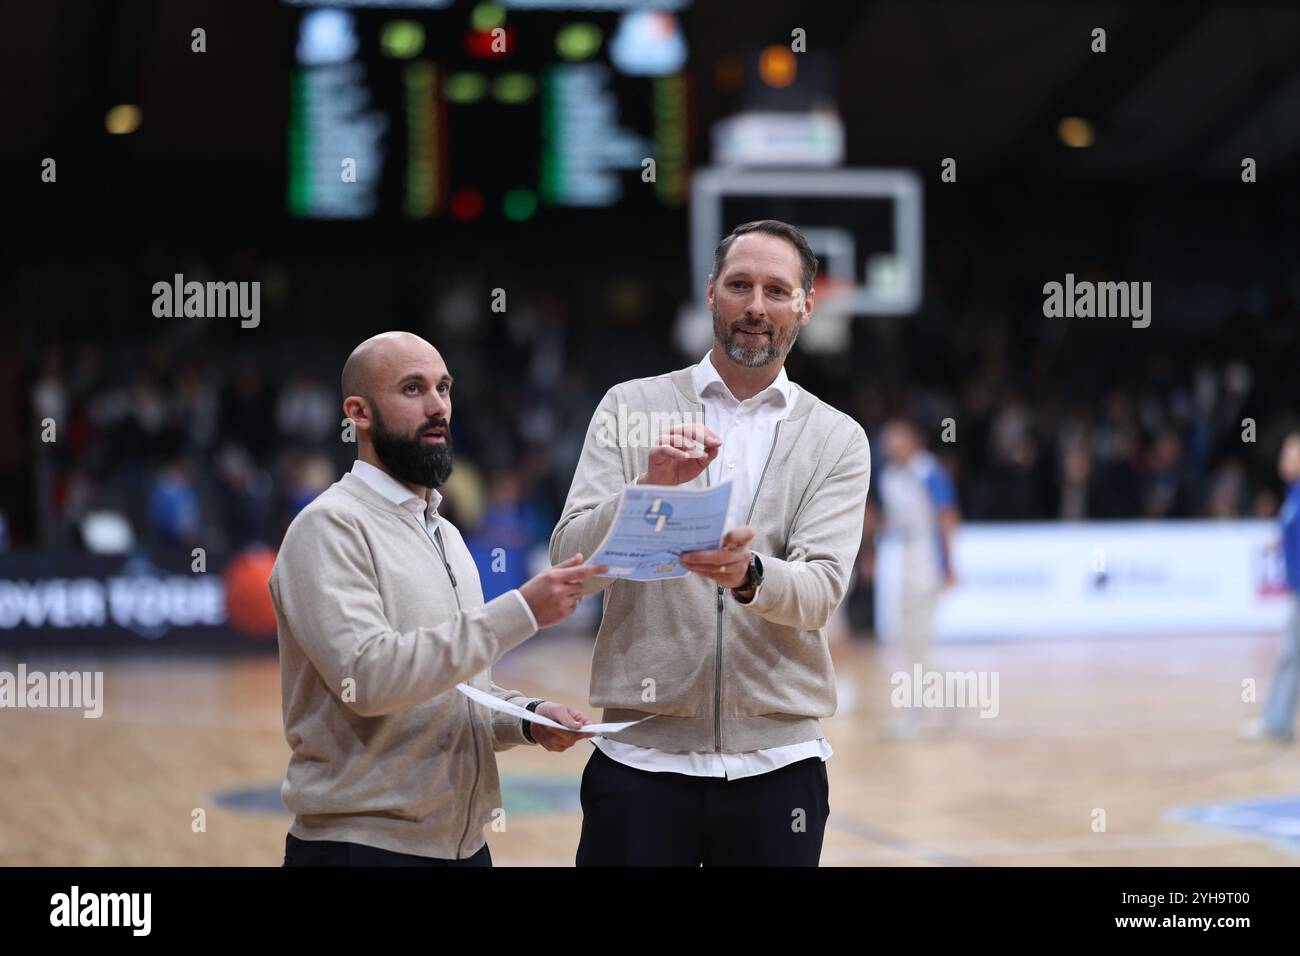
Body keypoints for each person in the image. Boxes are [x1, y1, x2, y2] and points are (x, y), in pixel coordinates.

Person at [551, 220, 872, 866]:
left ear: (807, 307)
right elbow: (569, 567)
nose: (756, 306)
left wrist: (748, 574)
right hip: (639, 757)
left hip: (778, 765)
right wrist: (645, 490)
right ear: (710, 294)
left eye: (777, 291)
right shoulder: (629, 406)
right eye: (740, 285)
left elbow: (819, 593)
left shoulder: (838, 439)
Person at [270, 331, 606, 866]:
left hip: (465, 847)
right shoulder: (328, 527)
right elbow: (371, 678)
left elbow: (450, 689)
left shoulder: (444, 532)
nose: (437, 407)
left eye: (444, 389)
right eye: (412, 389)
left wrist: (525, 717)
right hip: (363, 848)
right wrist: (522, 612)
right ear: (358, 411)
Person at [873, 418, 960, 737]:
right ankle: (934, 706)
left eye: (895, 439)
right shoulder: (889, 477)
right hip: (903, 564)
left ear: (911, 441)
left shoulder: (929, 471)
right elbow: (892, 521)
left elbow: (947, 517)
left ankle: (924, 711)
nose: (889, 446)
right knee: (907, 643)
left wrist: (949, 566)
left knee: (919, 644)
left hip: (928, 565)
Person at [1242, 431, 1300, 744]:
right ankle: (1276, 720)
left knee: (1290, 654)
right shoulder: (1293, 494)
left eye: (1291, 454)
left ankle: (1276, 722)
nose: (1285, 459)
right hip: (1296, 587)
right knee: (1291, 654)